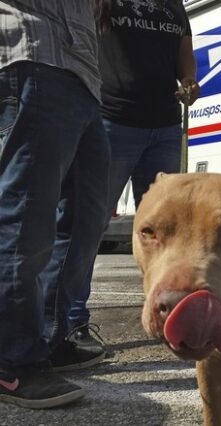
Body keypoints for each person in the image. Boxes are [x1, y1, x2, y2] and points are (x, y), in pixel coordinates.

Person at [67, 0, 200, 348]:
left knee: (168, 231)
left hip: (167, 127)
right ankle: (71, 320)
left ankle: (168, 311)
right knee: (87, 225)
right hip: (111, 120)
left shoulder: (173, 5)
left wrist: (189, 79)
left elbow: (184, 48)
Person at [0, 0, 111, 409]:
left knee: (87, 217)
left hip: (82, 76)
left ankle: (49, 338)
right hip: (33, 52)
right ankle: (11, 360)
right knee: (26, 213)